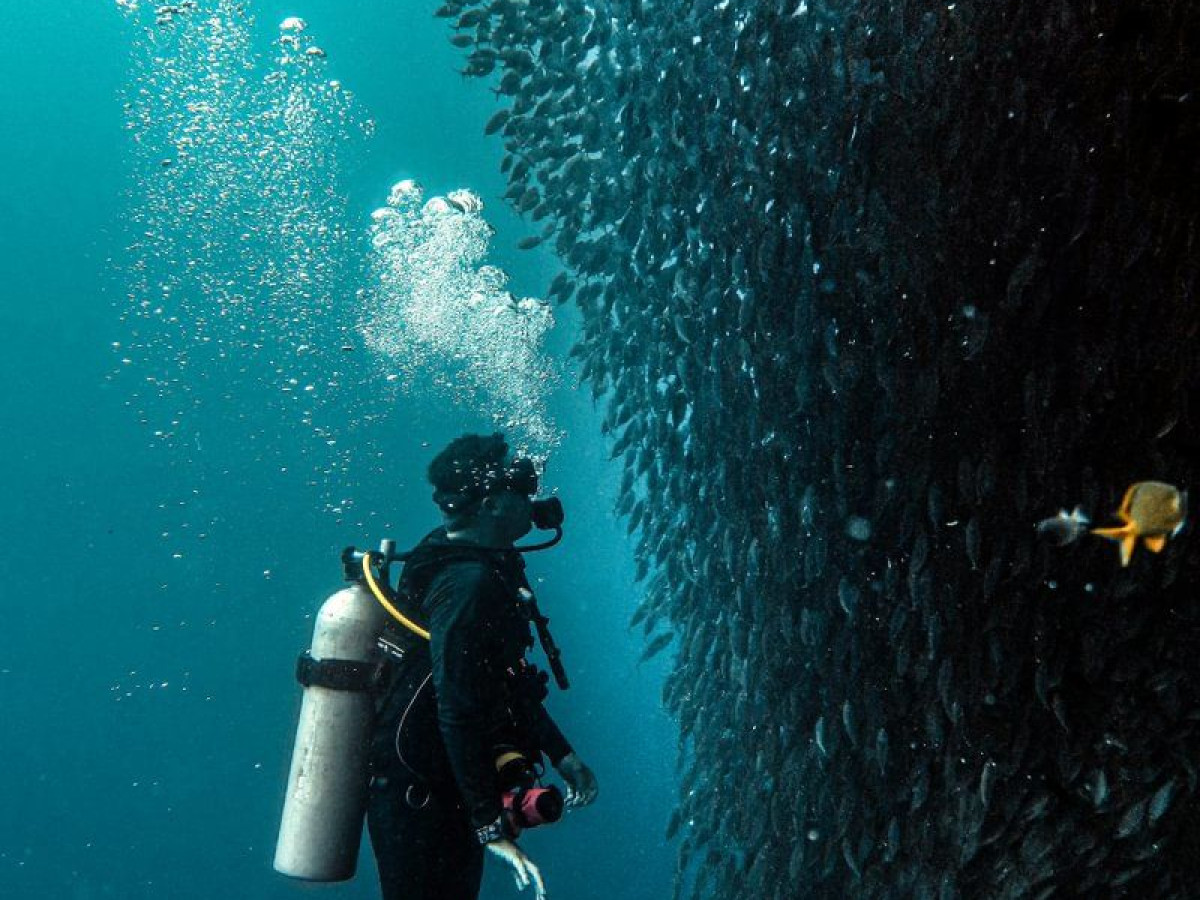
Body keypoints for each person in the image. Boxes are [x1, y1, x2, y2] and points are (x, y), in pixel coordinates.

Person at [366, 433, 598, 900]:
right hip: (418, 795)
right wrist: (488, 824)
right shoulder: (466, 585)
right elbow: (455, 703)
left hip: (443, 784)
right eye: (521, 493)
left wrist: (561, 754)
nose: (532, 502)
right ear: (492, 505)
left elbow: (501, 679)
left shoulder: (479, 557)